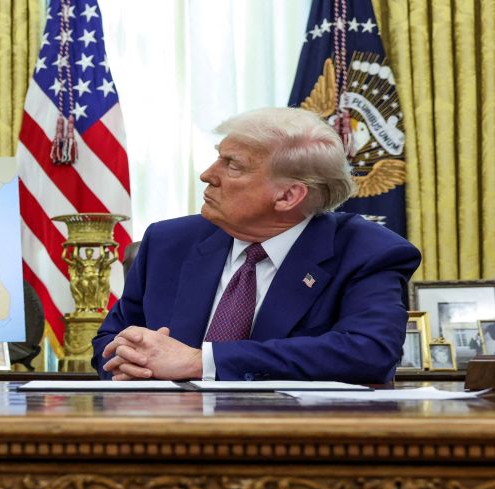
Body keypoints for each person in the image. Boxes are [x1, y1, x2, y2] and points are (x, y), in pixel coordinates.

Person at [93, 107, 420, 383]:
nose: (207, 175)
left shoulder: (367, 252)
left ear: (288, 196)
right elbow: (110, 340)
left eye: (233, 165)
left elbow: (369, 352)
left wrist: (200, 362)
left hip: (292, 434)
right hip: (168, 429)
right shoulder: (168, 242)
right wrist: (135, 362)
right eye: (218, 158)